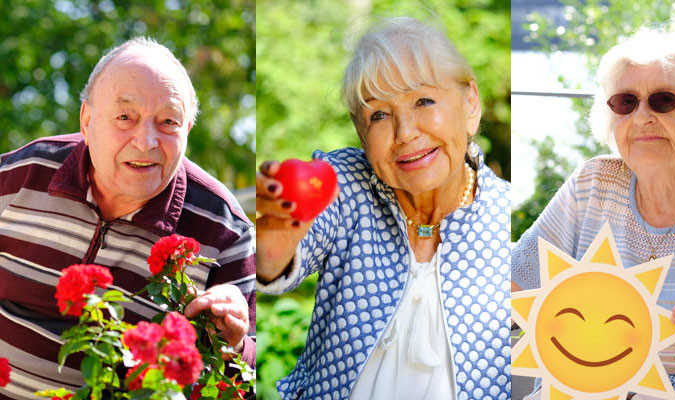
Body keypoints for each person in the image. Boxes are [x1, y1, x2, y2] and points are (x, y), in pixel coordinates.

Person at [256, 17, 513, 400]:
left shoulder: (509, 217)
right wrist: (276, 238)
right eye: (378, 114)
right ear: (361, 132)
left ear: (470, 103)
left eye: (423, 101)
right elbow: (274, 261)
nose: (405, 132)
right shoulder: (346, 183)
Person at [511, 23, 675, 399]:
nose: (641, 116)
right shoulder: (594, 183)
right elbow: (514, 286)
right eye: (625, 102)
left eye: (664, 100)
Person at [0, 37, 256, 398]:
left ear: (187, 133)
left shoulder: (225, 230)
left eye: (168, 121)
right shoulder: (19, 174)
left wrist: (234, 341)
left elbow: (247, 378)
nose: (146, 140)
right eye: (125, 117)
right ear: (87, 121)